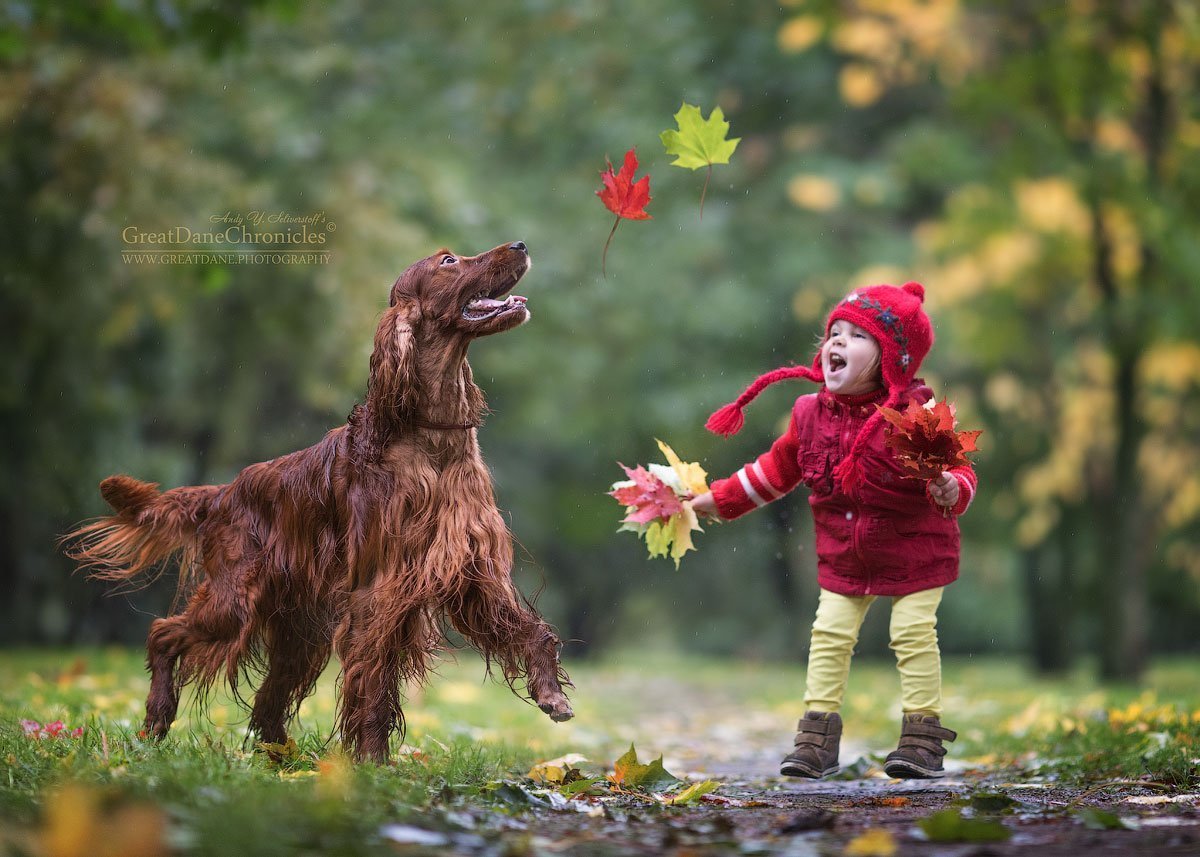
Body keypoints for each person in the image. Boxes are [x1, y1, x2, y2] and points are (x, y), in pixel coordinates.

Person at [691, 282, 976, 779]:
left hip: (915, 549)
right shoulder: (810, 415)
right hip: (846, 552)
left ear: (891, 358)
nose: (836, 343)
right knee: (829, 634)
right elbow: (776, 470)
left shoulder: (917, 417)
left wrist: (953, 486)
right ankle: (816, 739)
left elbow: (961, 470)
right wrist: (720, 499)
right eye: (833, 333)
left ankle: (922, 737)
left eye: (855, 336)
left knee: (911, 633)